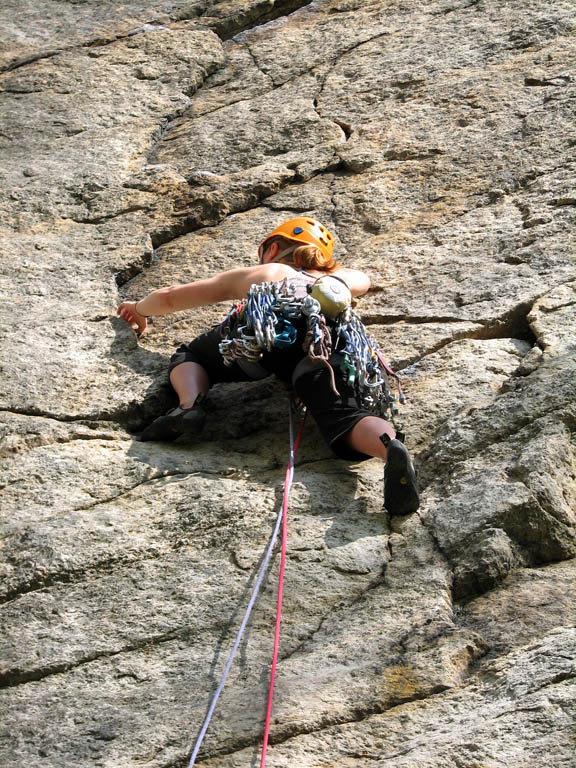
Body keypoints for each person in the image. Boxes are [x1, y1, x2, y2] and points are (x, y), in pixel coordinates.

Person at [117, 218, 419, 515]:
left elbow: (170, 298)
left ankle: (189, 405)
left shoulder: (268, 270)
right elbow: (363, 281)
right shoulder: (336, 281)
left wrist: (139, 309)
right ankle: (388, 445)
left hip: (260, 343)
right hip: (322, 348)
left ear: (273, 249)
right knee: (348, 419)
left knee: (191, 355)